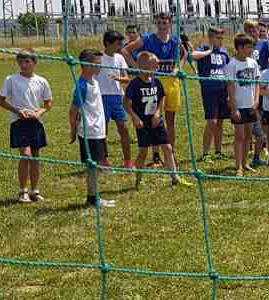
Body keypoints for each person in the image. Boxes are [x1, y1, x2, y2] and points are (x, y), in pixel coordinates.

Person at [123, 52, 193, 189]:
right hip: (143, 123)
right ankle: (138, 179)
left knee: (167, 147)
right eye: (155, 66)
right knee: (143, 151)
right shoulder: (134, 84)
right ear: (144, 67)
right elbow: (126, 103)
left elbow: (161, 97)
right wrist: (135, 118)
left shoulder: (156, 81)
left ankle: (175, 177)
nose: (157, 68)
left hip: (157, 121)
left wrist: (157, 113)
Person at [123, 12, 183, 165]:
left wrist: (178, 68)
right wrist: (137, 67)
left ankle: (171, 154)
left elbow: (184, 54)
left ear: (170, 23)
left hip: (172, 83)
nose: (162, 26)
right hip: (153, 83)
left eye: (165, 23)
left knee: (170, 121)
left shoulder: (176, 40)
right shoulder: (148, 38)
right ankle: (156, 155)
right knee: (154, 118)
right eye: (159, 23)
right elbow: (125, 51)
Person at [0, 49, 52, 204]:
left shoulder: (41, 81)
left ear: (34, 62)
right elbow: (0, 100)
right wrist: (18, 111)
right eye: (20, 62)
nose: (23, 65)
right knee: (25, 155)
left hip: (35, 123)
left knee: (35, 156)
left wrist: (38, 112)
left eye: (27, 61)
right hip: (18, 122)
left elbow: (48, 104)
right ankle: (23, 191)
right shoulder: (11, 79)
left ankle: (35, 191)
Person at [68, 49, 116, 209]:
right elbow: (73, 111)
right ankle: (93, 198)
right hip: (90, 131)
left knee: (95, 166)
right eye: (97, 64)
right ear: (86, 65)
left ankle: (92, 197)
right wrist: (73, 131)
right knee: (93, 167)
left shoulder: (94, 81)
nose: (100, 66)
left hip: (97, 130)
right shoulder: (82, 86)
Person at [225, 34, 264, 175]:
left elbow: (257, 82)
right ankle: (238, 167)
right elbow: (230, 86)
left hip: (251, 105)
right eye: (248, 47)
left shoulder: (253, 63)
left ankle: (245, 163)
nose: (251, 50)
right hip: (239, 106)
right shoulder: (232, 65)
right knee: (239, 137)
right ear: (240, 48)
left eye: (252, 47)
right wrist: (234, 108)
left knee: (248, 136)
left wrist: (256, 100)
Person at [190, 26, 231, 162]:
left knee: (220, 121)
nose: (220, 40)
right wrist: (209, 51)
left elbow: (229, 69)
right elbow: (191, 56)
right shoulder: (203, 49)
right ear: (210, 38)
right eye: (218, 38)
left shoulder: (224, 52)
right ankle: (206, 153)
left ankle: (218, 151)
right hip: (209, 90)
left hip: (222, 90)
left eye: (222, 38)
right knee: (211, 121)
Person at [97, 30, 134, 169]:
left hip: (118, 97)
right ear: (108, 43)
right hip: (102, 98)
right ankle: (103, 160)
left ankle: (128, 162)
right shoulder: (98, 58)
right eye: (118, 44)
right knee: (103, 131)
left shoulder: (119, 58)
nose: (120, 46)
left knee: (124, 129)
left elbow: (126, 78)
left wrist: (119, 78)